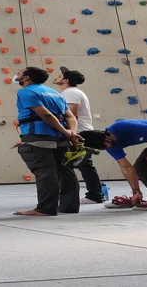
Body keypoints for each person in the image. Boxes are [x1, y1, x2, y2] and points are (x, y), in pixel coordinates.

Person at [13, 67, 81, 217]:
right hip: (61, 139)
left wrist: (66, 133)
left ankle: (45, 209)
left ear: (27, 78)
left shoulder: (26, 92)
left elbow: (46, 115)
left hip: (38, 136)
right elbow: (70, 117)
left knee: (45, 173)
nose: (17, 73)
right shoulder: (55, 93)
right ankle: (69, 206)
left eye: (21, 72)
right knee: (65, 171)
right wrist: (71, 133)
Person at [54, 67, 103, 204]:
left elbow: (71, 115)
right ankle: (94, 194)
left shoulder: (70, 93)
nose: (56, 77)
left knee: (84, 165)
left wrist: (69, 133)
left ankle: (94, 195)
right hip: (80, 132)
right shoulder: (71, 92)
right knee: (83, 165)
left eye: (59, 75)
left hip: (79, 133)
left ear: (66, 80)